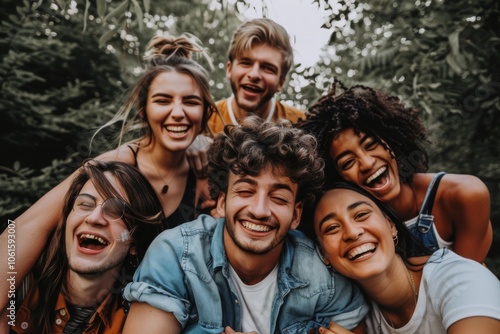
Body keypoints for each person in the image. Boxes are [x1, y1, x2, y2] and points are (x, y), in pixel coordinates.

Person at [0, 34, 217, 317]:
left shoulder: (208, 169)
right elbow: (23, 229)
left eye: (190, 102)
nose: (178, 113)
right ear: (143, 111)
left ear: (205, 111)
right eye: (163, 100)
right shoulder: (116, 164)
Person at [122, 117, 368, 333]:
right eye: (245, 191)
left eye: (279, 198)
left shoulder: (324, 275)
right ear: (221, 202)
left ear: (295, 214)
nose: (259, 211)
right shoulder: (174, 255)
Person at [298, 80, 492, 262]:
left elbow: (466, 286)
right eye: (348, 162)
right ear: (338, 177)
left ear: (391, 141)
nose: (366, 163)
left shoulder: (464, 195)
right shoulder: (353, 230)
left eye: (371, 144)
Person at [310, 182, 500, 334]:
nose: (351, 232)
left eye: (361, 214)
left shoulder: (460, 280)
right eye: (332, 228)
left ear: (390, 225)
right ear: (324, 254)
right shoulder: (350, 317)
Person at [9, 160, 165, 333]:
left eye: (115, 210)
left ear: (135, 242)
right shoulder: (17, 284)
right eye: (85, 204)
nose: (94, 218)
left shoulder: (137, 320)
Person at [186, 18, 307, 176]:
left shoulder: (302, 125)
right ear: (229, 69)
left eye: (268, 68)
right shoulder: (201, 120)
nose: (254, 74)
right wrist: (184, 144)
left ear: (281, 82)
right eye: (245, 63)